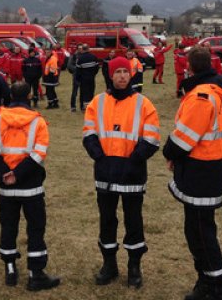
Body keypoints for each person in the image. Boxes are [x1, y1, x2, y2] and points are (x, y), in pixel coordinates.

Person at [163, 47, 222, 300]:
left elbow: (184, 139)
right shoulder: (218, 92)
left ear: (190, 68)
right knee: (200, 230)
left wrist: (170, 153)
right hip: (211, 167)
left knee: (200, 234)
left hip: (201, 171)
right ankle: (207, 281)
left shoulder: (201, 97)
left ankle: (216, 286)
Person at [83, 56, 160, 289]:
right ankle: (109, 265)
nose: (122, 76)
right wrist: (101, 158)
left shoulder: (144, 103)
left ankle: (134, 267)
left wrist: (133, 161)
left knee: (133, 221)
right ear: (110, 75)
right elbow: (89, 135)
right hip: (105, 173)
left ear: (131, 74)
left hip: (132, 175)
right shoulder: (97, 103)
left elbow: (151, 139)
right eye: (117, 72)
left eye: (125, 72)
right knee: (107, 220)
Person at [0, 82, 61, 291]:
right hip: (31, 186)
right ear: (30, 95)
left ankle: (10, 268)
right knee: (35, 227)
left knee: (8, 226)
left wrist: (4, 174)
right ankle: (36, 274)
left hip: (6, 186)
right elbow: (39, 153)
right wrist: (17, 174)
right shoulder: (38, 123)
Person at [75, 44, 100, 110]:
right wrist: (93, 74)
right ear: (88, 49)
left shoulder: (80, 59)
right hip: (91, 78)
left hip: (83, 79)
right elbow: (97, 68)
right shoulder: (94, 57)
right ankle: (91, 106)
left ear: (82, 49)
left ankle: (83, 107)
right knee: (91, 91)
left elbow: (78, 70)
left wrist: (78, 79)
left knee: (83, 93)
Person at [68, 44, 83, 112]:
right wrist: (76, 70)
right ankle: (73, 106)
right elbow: (69, 65)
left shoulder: (84, 55)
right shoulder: (74, 56)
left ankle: (82, 106)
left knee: (83, 92)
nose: (80, 49)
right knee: (74, 92)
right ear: (77, 49)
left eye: (81, 48)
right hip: (76, 76)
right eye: (79, 48)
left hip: (83, 76)